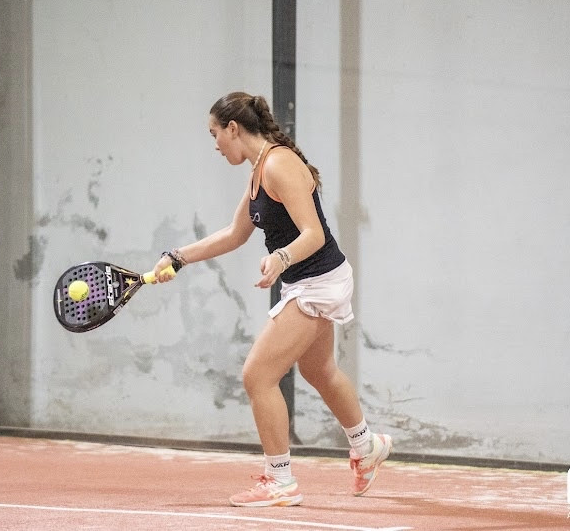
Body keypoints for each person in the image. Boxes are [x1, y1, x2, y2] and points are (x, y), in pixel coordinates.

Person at [151, 91, 392, 507]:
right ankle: (366, 445)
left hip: (317, 282)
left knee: (257, 376)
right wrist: (178, 257)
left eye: (214, 134)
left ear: (233, 128)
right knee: (319, 370)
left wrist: (280, 259)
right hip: (308, 280)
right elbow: (234, 235)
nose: (214, 145)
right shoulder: (258, 170)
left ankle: (280, 480)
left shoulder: (279, 164)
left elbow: (313, 233)